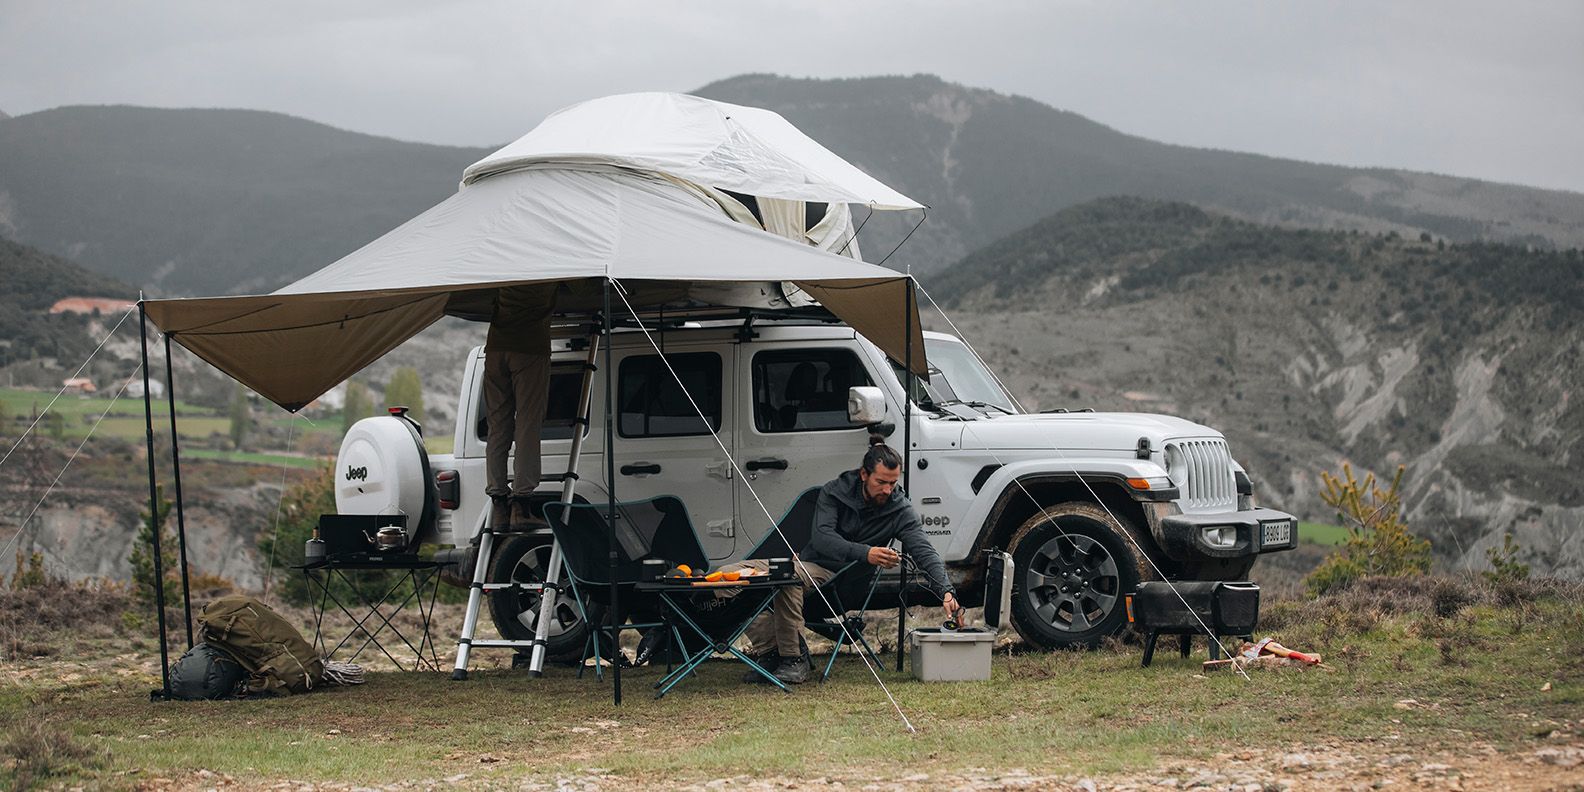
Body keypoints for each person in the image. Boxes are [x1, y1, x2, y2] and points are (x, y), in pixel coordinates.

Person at [740, 435, 963, 684]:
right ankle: (771, 653)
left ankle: (793, 660)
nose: (887, 490)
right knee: (737, 575)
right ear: (864, 474)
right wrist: (866, 553)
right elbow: (823, 539)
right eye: (881, 482)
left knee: (787, 577)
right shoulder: (834, 492)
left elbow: (924, 551)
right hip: (810, 566)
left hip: (841, 583)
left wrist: (946, 591)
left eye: (893, 483)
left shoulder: (899, 509)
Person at [484, 284, 557, 532]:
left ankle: (499, 506)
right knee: (527, 424)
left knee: (497, 426)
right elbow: (582, 288)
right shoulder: (553, 265)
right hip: (530, 345)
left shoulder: (505, 263)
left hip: (496, 346)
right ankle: (521, 505)